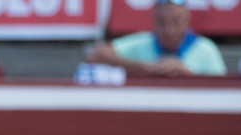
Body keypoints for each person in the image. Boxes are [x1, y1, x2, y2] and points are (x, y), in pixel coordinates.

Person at [86, 0, 226, 77]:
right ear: (153, 22)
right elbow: (95, 55)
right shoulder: (143, 42)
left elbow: (222, 88)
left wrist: (186, 75)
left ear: (187, 21)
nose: (169, 30)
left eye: (175, 22)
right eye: (162, 22)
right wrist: (148, 67)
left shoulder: (206, 49)